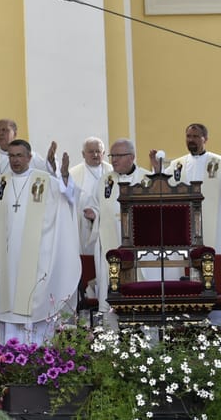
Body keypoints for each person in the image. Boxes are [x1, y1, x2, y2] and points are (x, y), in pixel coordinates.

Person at [0, 139, 79, 344]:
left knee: (37, 305)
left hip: (37, 257)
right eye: (11, 156)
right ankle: (10, 356)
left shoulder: (45, 181)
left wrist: (64, 176)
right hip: (8, 260)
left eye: (19, 155)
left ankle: (40, 356)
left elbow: (68, 200)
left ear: (29, 157)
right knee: (9, 305)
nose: (15, 160)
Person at [83, 139, 151, 325]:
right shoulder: (106, 180)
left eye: (118, 156)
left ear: (131, 156)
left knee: (140, 293)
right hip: (109, 243)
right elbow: (97, 205)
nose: (113, 160)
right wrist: (93, 214)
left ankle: (145, 337)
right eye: (112, 156)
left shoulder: (147, 180)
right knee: (110, 290)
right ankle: (111, 338)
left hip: (138, 246)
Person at [159, 123, 221, 249]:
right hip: (185, 221)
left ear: (205, 139)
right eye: (188, 136)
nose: (191, 140)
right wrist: (156, 168)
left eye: (196, 136)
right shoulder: (177, 165)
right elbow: (162, 184)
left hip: (213, 220)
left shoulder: (218, 162)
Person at [66, 137, 112, 255]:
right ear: (83, 154)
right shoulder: (73, 174)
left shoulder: (112, 172)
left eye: (98, 151)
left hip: (106, 222)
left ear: (104, 153)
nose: (95, 154)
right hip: (82, 223)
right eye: (91, 151)